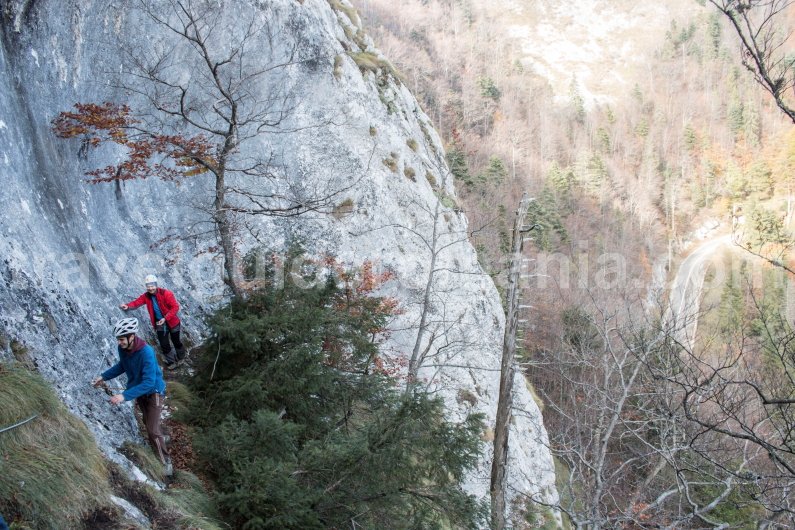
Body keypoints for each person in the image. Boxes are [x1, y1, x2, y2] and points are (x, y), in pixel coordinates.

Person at [92, 318, 172, 476]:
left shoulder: (146, 352)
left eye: (122, 339)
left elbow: (149, 382)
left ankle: (166, 462)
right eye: (118, 339)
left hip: (154, 391)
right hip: (139, 390)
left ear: (132, 337)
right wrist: (104, 377)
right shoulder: (123, 348)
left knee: (152, 429)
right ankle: (163, 437)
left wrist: (124, 396)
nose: (119, 342)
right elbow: (122, 365)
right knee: (148, 421)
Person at [120, 274, 185, 369]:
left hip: (172, 322)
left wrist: (166, 318)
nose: (150, 288)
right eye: (148, 286)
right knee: (164, 344)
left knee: (176, 341)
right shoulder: (146, 296)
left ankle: (181, 357)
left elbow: (175, 307)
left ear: (156, 285)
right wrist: (128, 306)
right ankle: (172, 362)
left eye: (152, 286)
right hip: (160, 323)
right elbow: (137, 302)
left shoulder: (166, 294)